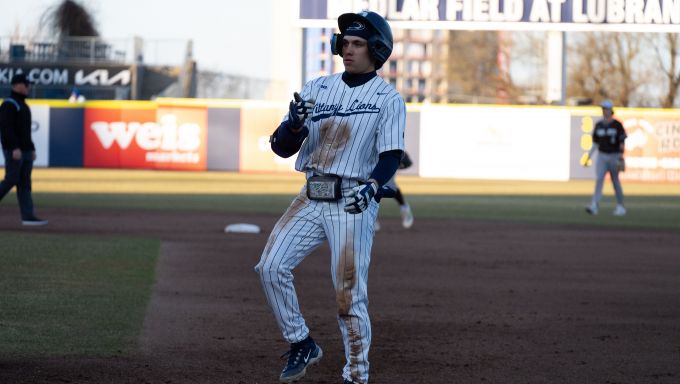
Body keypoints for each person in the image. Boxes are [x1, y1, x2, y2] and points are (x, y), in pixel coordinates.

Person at [254, 11, 405, 384]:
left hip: (352, 201)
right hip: (311, 195)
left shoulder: (388, 99)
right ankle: (301, 342)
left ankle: (356, 376)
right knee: (271, 267)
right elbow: (281, 148)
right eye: (345, 43)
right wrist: (293, 125)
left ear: (377, 50)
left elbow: (389, 157)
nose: (347, 50)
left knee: (347, 297)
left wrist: (371, 188)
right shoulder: (316, 89)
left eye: (357, 44)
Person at [0, 73, 48, 226]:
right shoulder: (9, 104)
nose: (29, 87)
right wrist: (14, 148)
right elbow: (7, 129)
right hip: (15, 150)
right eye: (26, 84)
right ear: (17, 85)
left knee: (24, 183)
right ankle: (27, 215)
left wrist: (31, 148)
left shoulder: (23, 105)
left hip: (26, 151)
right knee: (11, 179)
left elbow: (25, 132)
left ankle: (28, 216)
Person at [584, 99, 627, 216]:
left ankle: (620, 206)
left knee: (615, 181)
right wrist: (588, 156)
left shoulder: (617, 125)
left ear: (611, 110)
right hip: (602, 156)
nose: (604, 111)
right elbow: (596, 143)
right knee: (599, 180)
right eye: (603, 109)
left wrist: (621, 156)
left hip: (614, 155)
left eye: (606, 109)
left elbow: (622, 141)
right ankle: (594, 205)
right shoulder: (599, 125)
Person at [375, 151, 414, 230]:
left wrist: (397, 164)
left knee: (391, 187)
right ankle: (372, 219)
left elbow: (408, 162)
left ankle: (405, 209)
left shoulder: (390, 144)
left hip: (386, 165)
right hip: (371, 169)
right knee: (371, 192)